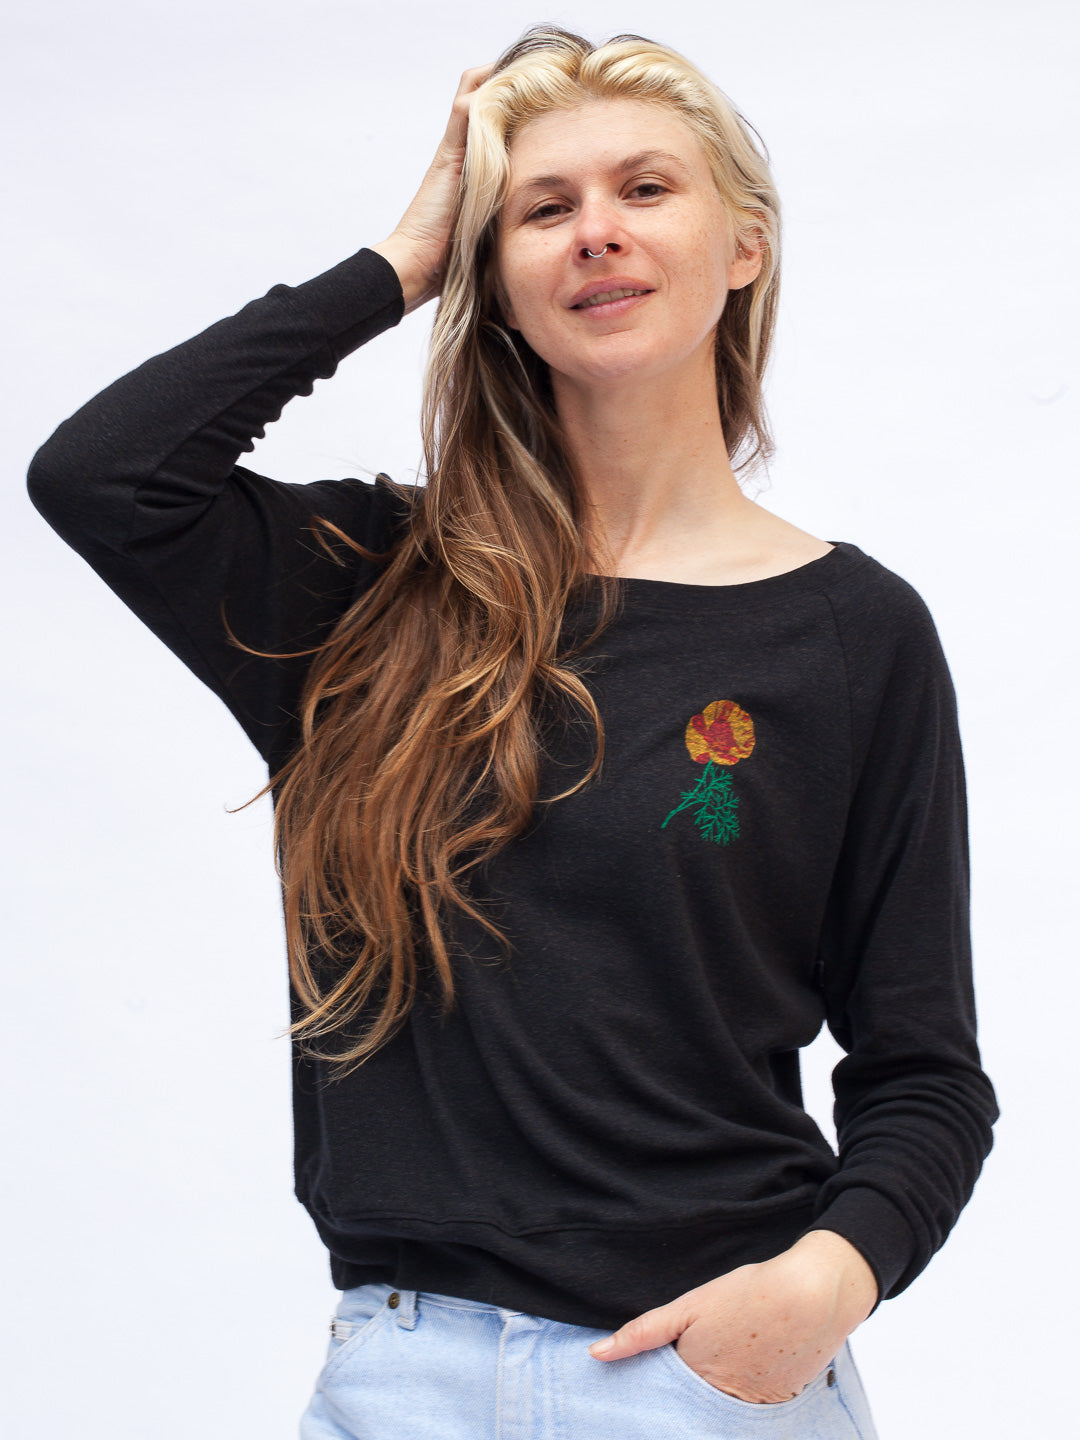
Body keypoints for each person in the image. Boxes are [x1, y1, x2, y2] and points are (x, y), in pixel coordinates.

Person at [25, 25, 997, 1440]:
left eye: (646, 189)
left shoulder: (853, 635)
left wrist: (823, 1285)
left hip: (707, 1376)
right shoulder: (365, 588)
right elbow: (102, 478)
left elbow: (924, 1072)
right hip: (399, 1377)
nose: (596, 231)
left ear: (745, 245)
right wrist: (406, 258)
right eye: (543, 210)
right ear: (497, 285)